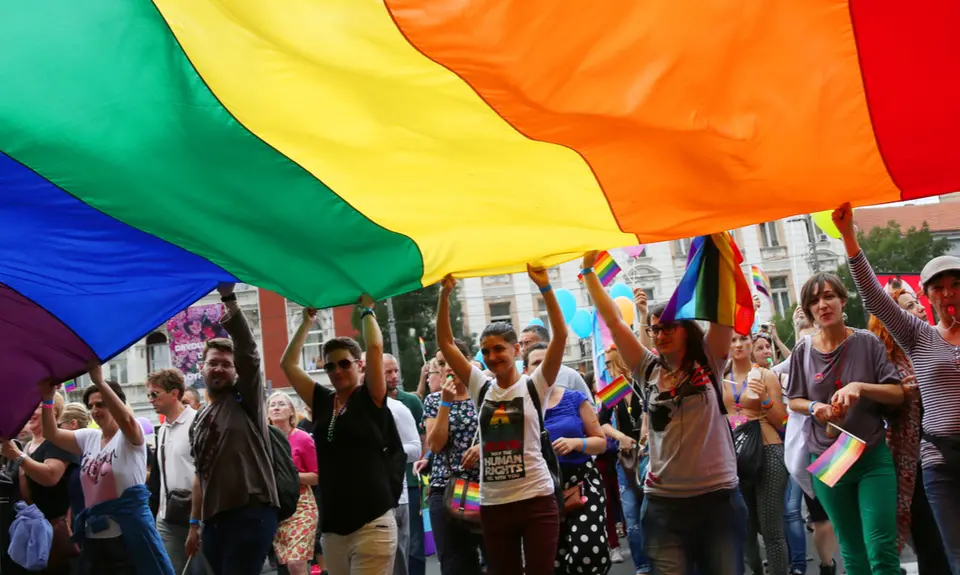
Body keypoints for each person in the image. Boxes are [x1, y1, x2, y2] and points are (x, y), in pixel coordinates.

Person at [582, 250, 746, 575]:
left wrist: (718, 256)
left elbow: (724, 315)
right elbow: (614, 321)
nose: (660, 334)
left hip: (718, 498)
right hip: (664, 503)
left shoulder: (710, 361)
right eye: (655, 329)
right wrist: (588, 272)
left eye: (669, 326)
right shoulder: (647, 368)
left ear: (686, 329)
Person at [835, 202, 960, 574]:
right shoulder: (919, 336)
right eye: (939, 288)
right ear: (928, 296)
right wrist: (848, 236)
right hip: (941, 461)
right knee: (956, 556)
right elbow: (874, 298)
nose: (949, 293)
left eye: (956, 284)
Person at [437, 264, 566, 575]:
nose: (493, 356)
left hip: (537, 500)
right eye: (486, 351)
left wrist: (545, 288)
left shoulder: (536, 384)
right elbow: (446, 344)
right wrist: (444, 295)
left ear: (516, 349)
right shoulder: (480, 387)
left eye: (499, 349)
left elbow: (560, 335)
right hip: (494, 505)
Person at [785, 270, 904, 575]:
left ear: (842, 299)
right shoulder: (803, 350)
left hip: (870, 453)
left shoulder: (867, 342)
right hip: (830, 457)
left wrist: (860, 387)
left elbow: (896, 393)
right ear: (809, 310)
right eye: (814, 300)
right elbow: (794, 399)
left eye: (828, 296)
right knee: (851, 550)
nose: (822, 305)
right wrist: (816, 407)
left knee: (881, 546)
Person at [281, 297, 399, 575]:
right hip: (333, 528)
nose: (337, 371)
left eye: (344, 364)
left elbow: (375, 345)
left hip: (372, 522)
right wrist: (306, 323)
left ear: (360, 365)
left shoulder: (371, 397)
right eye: (330, 366)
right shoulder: (322, 400)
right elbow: (288, 364)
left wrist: (367, 309)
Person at [39, 366, 174, 575]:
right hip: (95, 538)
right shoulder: (89, 438)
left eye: (100, 404)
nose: (94, 410)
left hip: (129, 535)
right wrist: (48, 399)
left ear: (115, 404)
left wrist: (100, 382)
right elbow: (51, 433)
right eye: (91, 405)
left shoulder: (130, 435)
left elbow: (127, 420)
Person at [188, 283, 280, 575]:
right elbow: (201, 477)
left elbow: (250, 356)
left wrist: (229, 300)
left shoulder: (245, 401)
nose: (218, 369)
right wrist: (195, 524)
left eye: (226, 365)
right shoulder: (199, 420)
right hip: (214, 523)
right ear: (201, 369)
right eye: (213, 363)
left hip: (251, 513)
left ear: (235, 372)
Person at [868, 288, 951, 575]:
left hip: (950, 453)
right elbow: (892, 400)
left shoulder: (939, 343)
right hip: (913, 464)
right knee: (933, 543)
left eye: (917, 303)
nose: (918, 309)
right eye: (908, 306)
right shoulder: (887, 362)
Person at [533, 343, 610, 575]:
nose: (542, 367)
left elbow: (602, 441)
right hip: (543, 490)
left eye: (546, 362)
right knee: (554, 558)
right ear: (526, 371)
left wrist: (577, 443)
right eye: (536, 363)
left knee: (587, 551)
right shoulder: (524, 406)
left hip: (582, 483)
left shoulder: (574, 398)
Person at [722, 334, 788, 575]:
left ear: (751, 343)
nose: (738, 345)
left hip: (768, 450)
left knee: (772, 530)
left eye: (743, 339)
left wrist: (766, 400)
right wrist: (740, 419)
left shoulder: (766, 375)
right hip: (736, 455)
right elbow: (721, 420)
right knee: (744, 528)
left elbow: (781, 420)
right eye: (733, 340)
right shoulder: (720, 380)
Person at [422, 339, 485, 575]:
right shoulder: (433, 401)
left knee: (494, 559)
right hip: (447, 491)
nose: (448, 367)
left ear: (467, 361)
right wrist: (445, 404)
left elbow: (503, 438)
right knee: (455, 564)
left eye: (453, 360)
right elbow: (436, 444)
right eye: (441, 363)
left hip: (484, 488)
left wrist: (482, 448)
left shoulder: (484, 396)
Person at [0, 393, 80, 574]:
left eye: (36, 407)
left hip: (53, 533)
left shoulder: (60, 441)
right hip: (30, 532)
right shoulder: (27, 446)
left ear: (54, 410)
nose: (30, 412)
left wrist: (18, 456)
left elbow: (50, 476)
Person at [598, 343, 650, 575]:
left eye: (609, 362)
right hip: (626, 460)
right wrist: (620, 437)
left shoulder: (641, 383)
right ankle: (643, 567)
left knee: (653, 514)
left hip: (651, 458)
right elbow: (602, 421)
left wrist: (648, 433)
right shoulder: (615, 388)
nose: (607, 367)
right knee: (632, 518)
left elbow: (654, 411)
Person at [147, 368, 203, 575]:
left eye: (155, 394)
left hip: (196, 515)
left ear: (174, 394)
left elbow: (203, 474)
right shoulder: (161, 430)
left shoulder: (197, 422)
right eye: (149, 395)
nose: (151, 400)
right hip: (167, 517)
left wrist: (195, 523)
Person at [267, 392, 319, 575]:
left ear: (291, 411)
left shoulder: (303, 438)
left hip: (301, 505)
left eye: (282, 404)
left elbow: (316, 476)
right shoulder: (262, 440)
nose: (276, 407)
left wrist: (288, 477)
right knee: (288, 566)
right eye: (272, 405)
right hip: (276, 505)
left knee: (296, 563)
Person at [384, 354, 426, 575]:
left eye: (395, 371)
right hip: (383, 489)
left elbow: (421, 439)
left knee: (414, 543)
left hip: (409, 480)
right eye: (388, 372)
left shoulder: (408, 402)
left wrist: (421, 462)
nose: (394, 376)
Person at [519, 324, 594, 400]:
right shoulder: (520, 382)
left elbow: (590, 407)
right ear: (525, 370)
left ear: (545, 343)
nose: (523, 349)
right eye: (521, 344)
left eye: (527, 343)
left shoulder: (570, 376)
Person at [295, 407, 326, 575]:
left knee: (322, 532)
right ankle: (316, 566)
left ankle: (324, 568)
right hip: (308, 489)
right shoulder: (301, 427)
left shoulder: (327, 422)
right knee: (314, 535)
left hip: (325, 484)